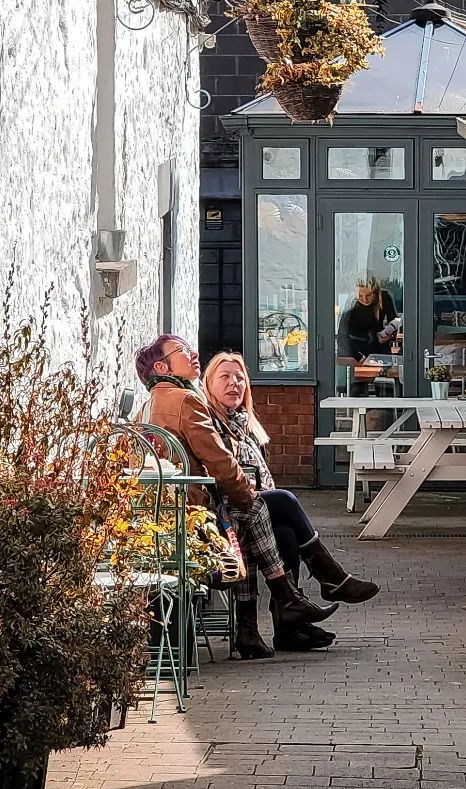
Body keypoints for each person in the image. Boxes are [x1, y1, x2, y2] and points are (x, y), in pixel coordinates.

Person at [134, 335, 337, 659]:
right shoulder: (186, 401)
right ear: (162, 366)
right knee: (259, 508)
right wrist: (246, 495)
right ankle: (289, 598)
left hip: (163, 516)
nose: (194, 354)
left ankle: (268, 619)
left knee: (272, 520)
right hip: (193, 518)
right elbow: (221, 463)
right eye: (183, 352)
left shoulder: (146, 406)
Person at [204, 352, 380, 652]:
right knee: (285, 501)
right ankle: (330, 579)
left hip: (251, 509)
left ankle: (287, 627)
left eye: (240, 378)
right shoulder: (209, 424)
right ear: (209, 385)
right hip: (225, 513)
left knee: (285, 531)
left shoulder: (246, 425)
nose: (234, 383)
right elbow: (225, 479)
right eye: (225, 377)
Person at [337, 278, 399, 361]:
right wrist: (357, 357)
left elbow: (395, 321)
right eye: (360, 296)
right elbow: (343, 336)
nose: (365, 299)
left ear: (375, 292)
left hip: (379, 348)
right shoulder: (352, 303)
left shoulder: (385, 297)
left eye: (368, 295)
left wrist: (391, 335)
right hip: (357, 348)